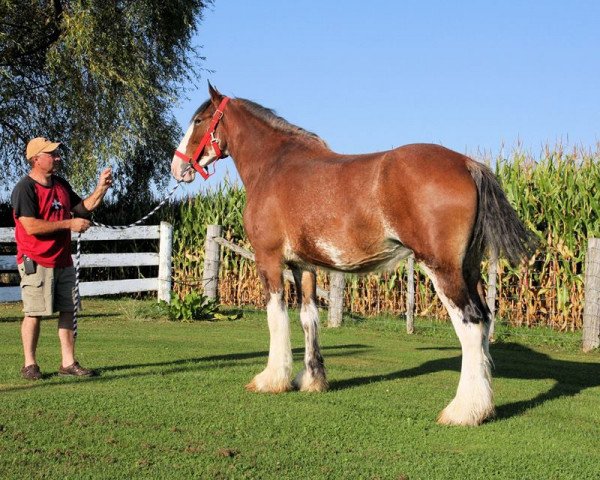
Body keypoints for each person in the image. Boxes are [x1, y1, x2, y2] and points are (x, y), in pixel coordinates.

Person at [11, 137, 113, 380]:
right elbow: (30, 226)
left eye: (57, 153)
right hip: (35, 259)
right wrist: (69, 224)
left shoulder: (61, 184)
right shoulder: (25, 188)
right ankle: (30, 365)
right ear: (36, 159)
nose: (57, 157)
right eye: (52, 154)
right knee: (34, 312)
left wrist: (101, 188)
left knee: (68, 310)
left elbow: (82, 209)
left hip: (63, 259)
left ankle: (68, 362)